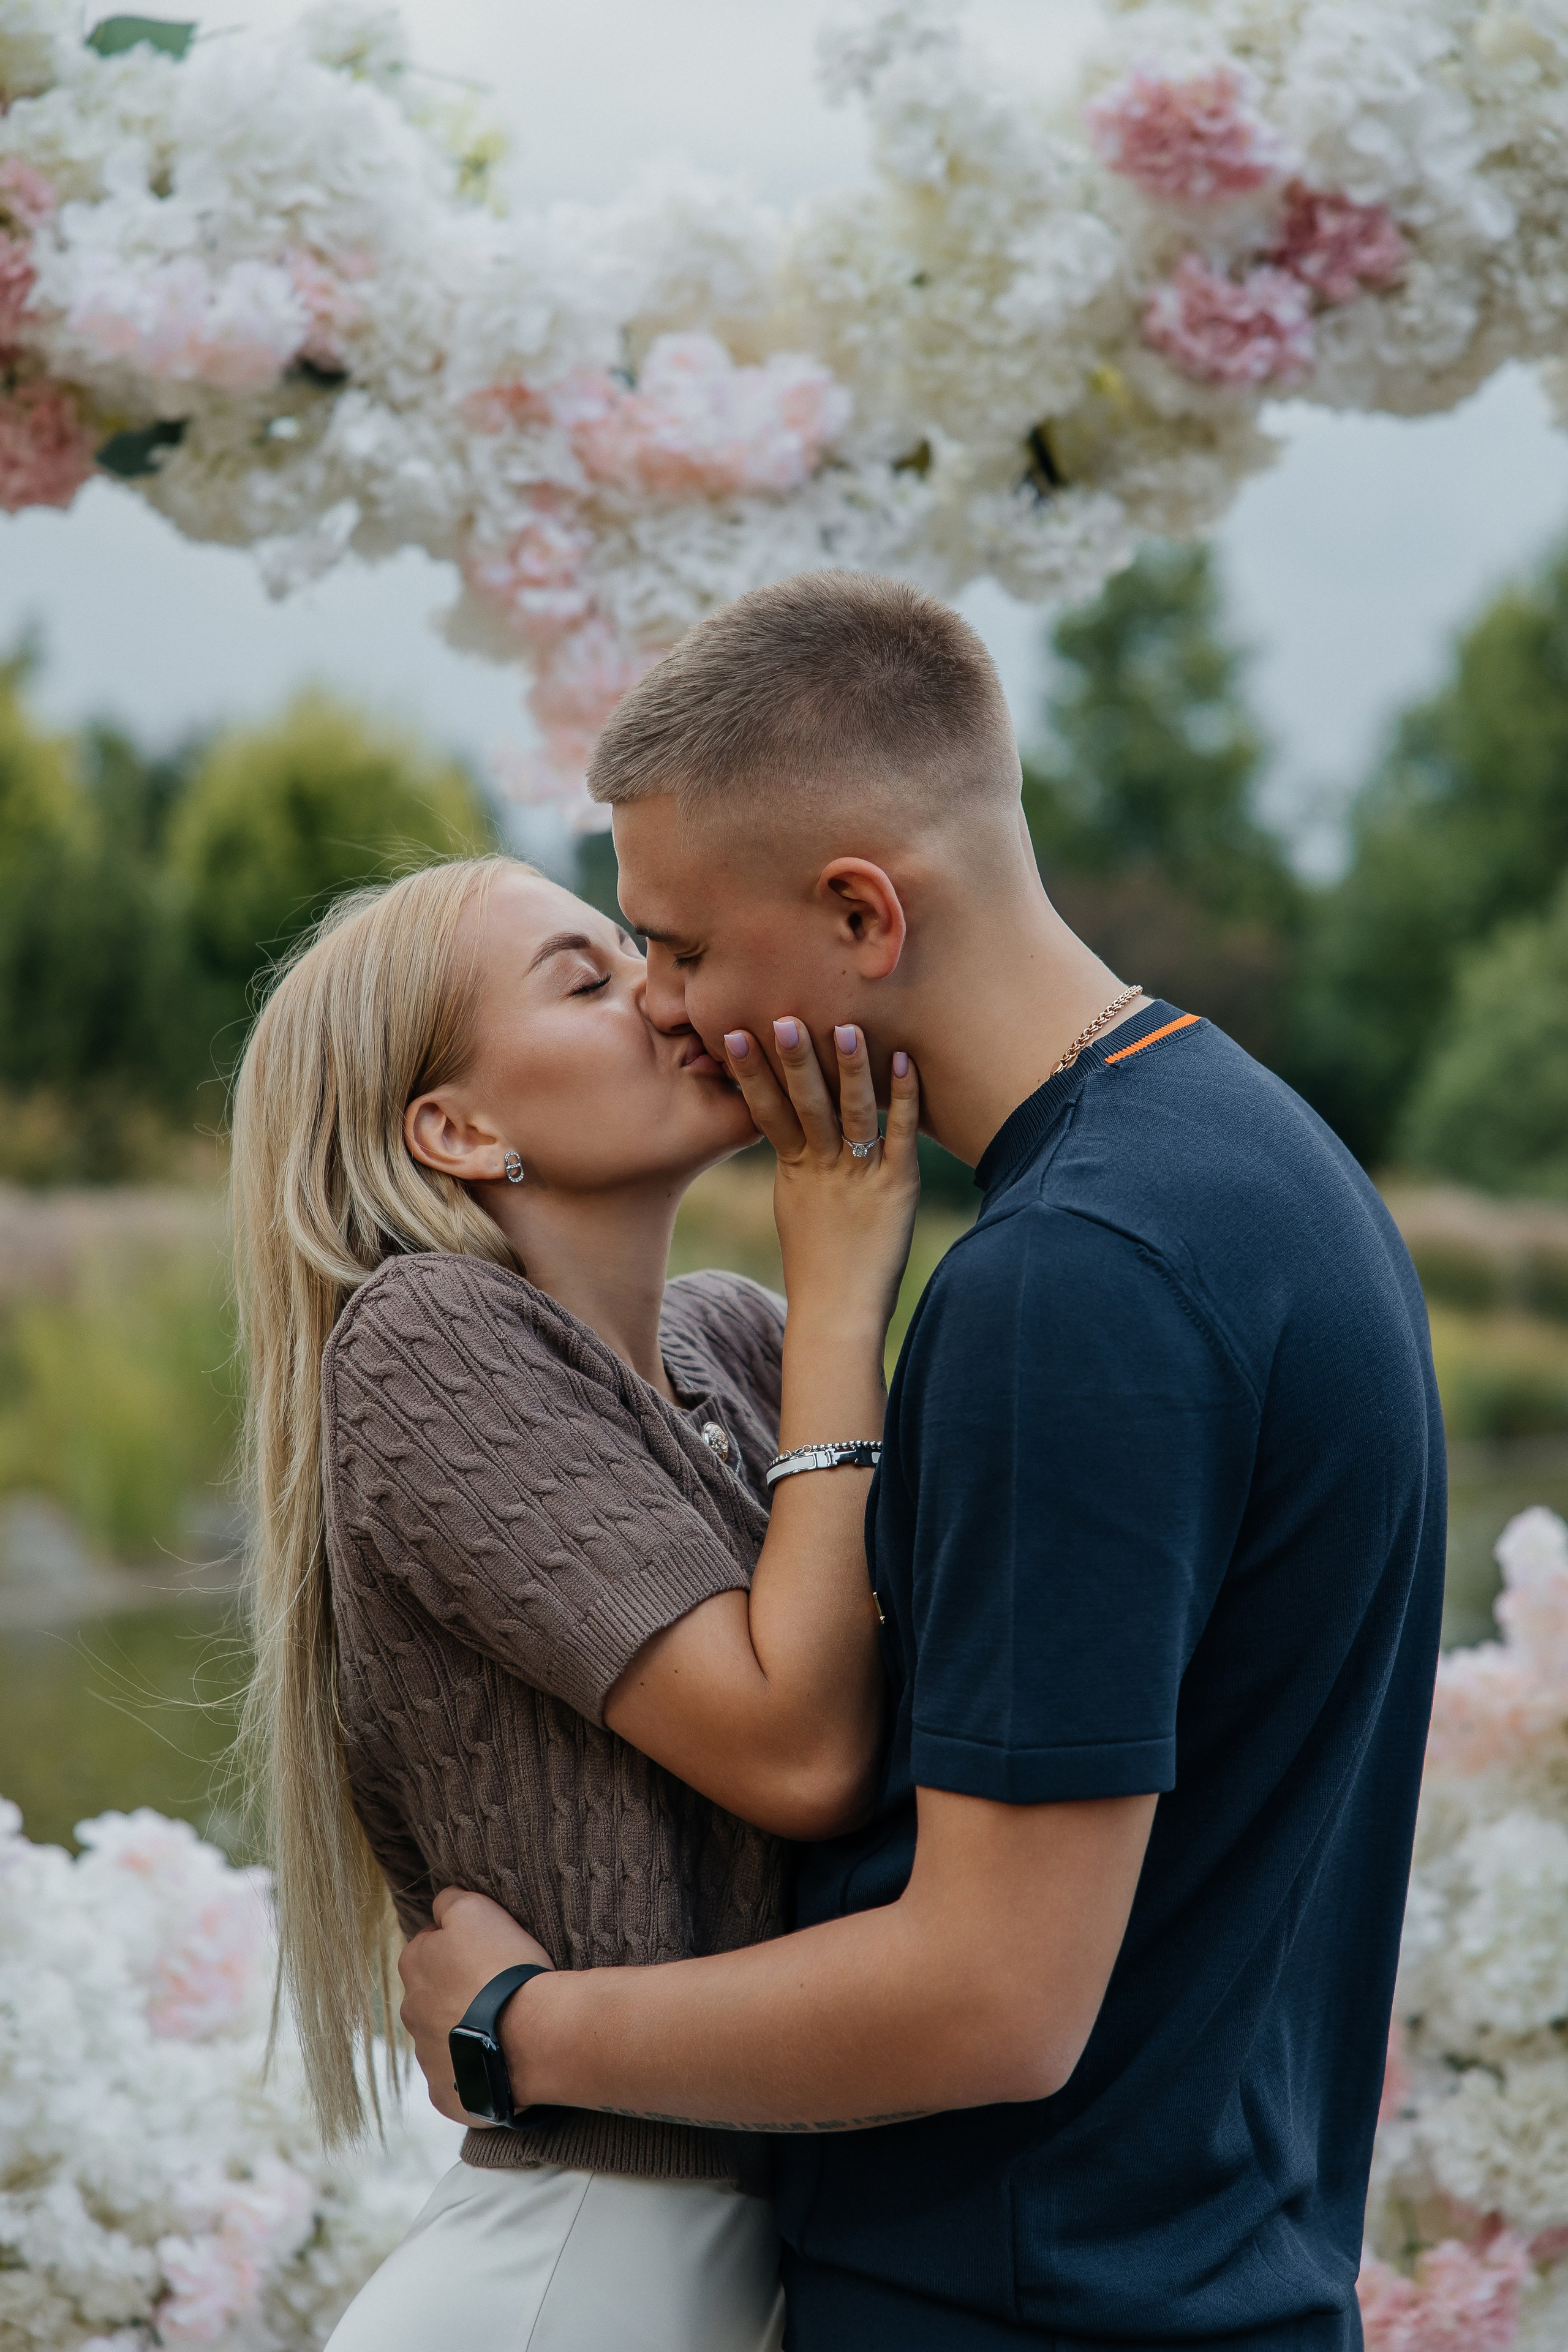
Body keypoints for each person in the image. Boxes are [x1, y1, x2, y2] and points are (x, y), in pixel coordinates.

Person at [399, 573, 1447, 2352]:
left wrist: (519, 2028)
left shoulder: (1076, 1288)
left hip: (1032, 2315)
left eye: (683, 948)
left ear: (863, 914)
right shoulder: (1260, 1164)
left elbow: (990, 1998)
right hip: (1208, 2285)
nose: (663, 1005)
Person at [228, 851, 925, 2351]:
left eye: (649, 957)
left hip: (764, 2260)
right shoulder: (422, 1344)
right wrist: (849, 1270)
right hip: (575, 2272)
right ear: (458, 1129)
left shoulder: (734, 1344)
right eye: (585, 979)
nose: (667, 1002)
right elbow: (801, 1754)